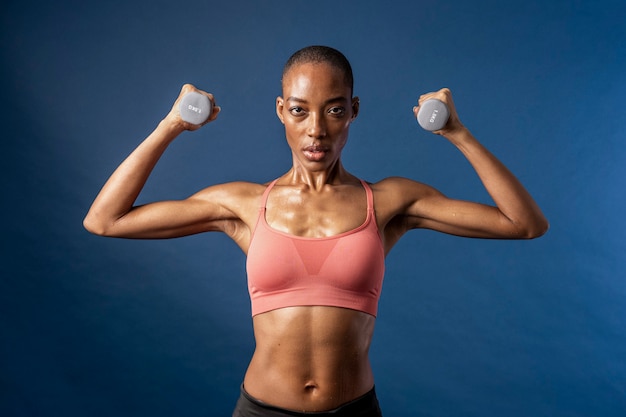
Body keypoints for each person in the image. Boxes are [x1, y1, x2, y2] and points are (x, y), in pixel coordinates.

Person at [84, 45, 548, 416]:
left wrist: (457, 132)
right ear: (281, 111)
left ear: (353, 111)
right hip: (262, 411)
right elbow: (106, 219)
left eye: (333, 110)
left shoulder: (388, 201)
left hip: (353, 410)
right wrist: (172, 125)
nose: (317, 131)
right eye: (301, 111)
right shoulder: (244, 204)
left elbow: (523, 223)